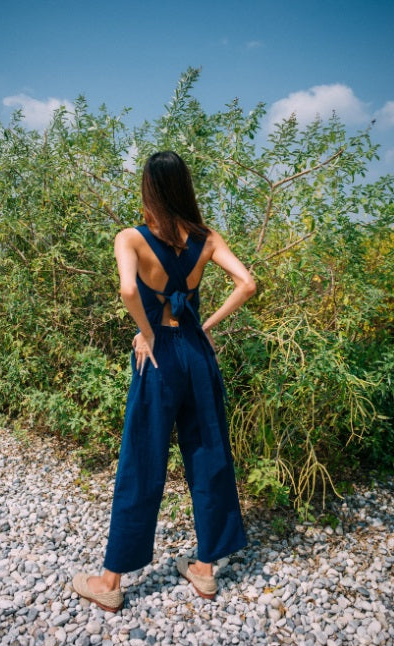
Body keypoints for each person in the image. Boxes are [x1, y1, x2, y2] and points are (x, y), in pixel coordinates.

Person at [72, 151, 256, 611]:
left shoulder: (130, 238)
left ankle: (111, 582)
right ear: (185, 188)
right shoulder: (207, 238)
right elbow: (247, 284)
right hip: (196, 354)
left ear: (149, 189)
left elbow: (128, 290)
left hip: (157, 357)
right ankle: (205, 570)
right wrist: (205, 326)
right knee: (209, 453)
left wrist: (148, 331)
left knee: (142, 459)